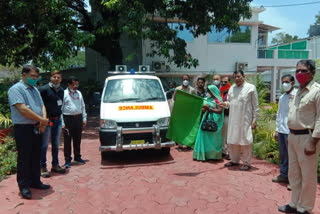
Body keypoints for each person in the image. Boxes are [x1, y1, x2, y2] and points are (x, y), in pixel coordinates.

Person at [278, 60, 320, 214]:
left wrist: (313, 141)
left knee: (307, 175)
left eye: (304, 71)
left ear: (313, 73)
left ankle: (305, 208)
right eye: (298, 71)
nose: (300, 74)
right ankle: (294, 203)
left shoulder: (317, 91)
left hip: (307, 138)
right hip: (293, 136)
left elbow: (319, 118)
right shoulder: (297, 92)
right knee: (293, 173)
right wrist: (290, 134)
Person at [8, 65, 50, 199]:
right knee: (24, 158)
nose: (35, 79)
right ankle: (24, 186)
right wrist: (42, 120)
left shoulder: (35, 90)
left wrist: (42, 121)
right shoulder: (15, 90)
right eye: (32, 76)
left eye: (36, 77)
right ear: (24, 75)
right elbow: (23, 109)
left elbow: (42, 105)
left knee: (35, 155)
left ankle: (35, 181)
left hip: (36, 127)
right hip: (23, 128)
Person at [219, 70, 259, 171]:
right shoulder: (232, 88)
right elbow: (230, 102)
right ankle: (234, 160)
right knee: (233, 140)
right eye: (235, 77)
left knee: (245, 141)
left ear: (243, 76)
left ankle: (246, 163)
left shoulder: (250, 88)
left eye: (238, 76)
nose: (237, 79)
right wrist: (225, 104)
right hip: (233, 119)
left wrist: (254, 120)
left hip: (245, 120)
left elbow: (255, 106)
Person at [39, 70, 66, 178]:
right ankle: (43, 167)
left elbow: (61, 105)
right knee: (44, 145)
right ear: (51, 78)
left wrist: (62, 120)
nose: (56, 79)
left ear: (61, 79)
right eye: (54, 77)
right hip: (47, 121)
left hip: (58, 120)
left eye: (58, 77)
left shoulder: (61, 90)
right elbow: (40, 106)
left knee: (56, 144)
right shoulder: (44, 89)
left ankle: (55, 165)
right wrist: (42, 120)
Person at [272, 74, 296, 185]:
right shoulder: (282, 97)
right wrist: (277, 130)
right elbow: (279, 114)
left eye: (287, 82)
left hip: (292, 131)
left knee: (293, 156)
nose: (284, 84)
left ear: (293, 83)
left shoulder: (297, 95)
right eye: (283, 82)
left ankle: (293, 180)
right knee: (283, 155)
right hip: (282, 130)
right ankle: (284, 175)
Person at [62, 76, 87, 168]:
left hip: (78, 118)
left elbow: (83, 106)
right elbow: (60, 108)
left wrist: (84, 118)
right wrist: (62, 123)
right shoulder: (64, 93)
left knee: (77, 139)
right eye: (73, 84)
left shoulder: (79, 93)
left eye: (77, 84)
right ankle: (67, 160)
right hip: (67, 119)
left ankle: (77, 157)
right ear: (68, 84)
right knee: (67, 140)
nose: (75, 86)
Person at [193, 85, 224, 161]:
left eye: (210, 91)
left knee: (214, 139)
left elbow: (220, 111)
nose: (209, 92)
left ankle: (214, 156)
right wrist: (204, 109)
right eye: (208, 91)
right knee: (205, 137)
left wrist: (209, 109)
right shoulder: (206, 99)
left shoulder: (218, 100)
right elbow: (203, 110)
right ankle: (204, 155)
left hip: (215, 122)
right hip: (206, 120)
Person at [173, 75, 196, 151]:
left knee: (188, 129)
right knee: (180, 129)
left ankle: (188, 144)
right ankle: (180, 146)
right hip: (180, 112)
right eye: (184, 79)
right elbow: (174, 99)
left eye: (187, 79)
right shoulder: (177, 89)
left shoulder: (192, 90)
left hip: (189, 113)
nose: (185, 81)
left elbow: (194, 100)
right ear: (182, 80)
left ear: (189, 80)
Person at [219, 76, 231, 159]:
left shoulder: (231, 91)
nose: (223, 83)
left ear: (229, 82)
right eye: (222, 82)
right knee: (222, 135)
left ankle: (230, 153)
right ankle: (223, 151)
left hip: (229, 116)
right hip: (221, 116)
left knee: (229, 136)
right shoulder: (220, 91)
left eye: (225, 82)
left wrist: (225, 105)